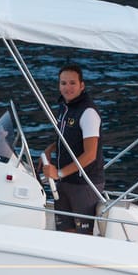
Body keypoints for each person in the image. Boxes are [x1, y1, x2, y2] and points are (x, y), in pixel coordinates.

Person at [39, 64, 105, 234]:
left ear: (82, 86)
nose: (67, 88)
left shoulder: (88, 113)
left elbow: (90, 155)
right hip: (65, 182)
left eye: (72, 83)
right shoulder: (65, 108)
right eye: (63, 83)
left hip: (84, 184)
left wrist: (59, 173)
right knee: (65, 231)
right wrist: (51, 148)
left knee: (83, 235)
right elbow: (70, 136)